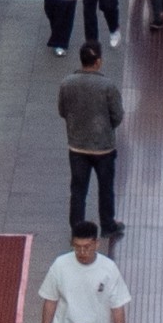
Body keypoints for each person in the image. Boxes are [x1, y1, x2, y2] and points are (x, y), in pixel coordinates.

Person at [36, 219, 129, 323]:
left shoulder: (109, 269)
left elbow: (117, 307)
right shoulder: (60, 265)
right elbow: (50, 300)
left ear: (96, 244)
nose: (82, 252)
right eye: (77, 247)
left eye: (87, 247)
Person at [56, 44, 123, 242]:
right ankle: (108, 225)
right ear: (98, 61)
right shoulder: (107, 86)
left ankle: (77, 229)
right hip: (103, 148)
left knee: (78, 190)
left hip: (77, 146)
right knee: (105, 188)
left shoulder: (67, 83)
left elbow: (62, 111)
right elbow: (117, 115)